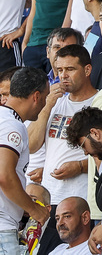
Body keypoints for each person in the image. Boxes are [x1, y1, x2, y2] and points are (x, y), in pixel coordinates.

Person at [29, 45, 98, 216]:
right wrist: (47, 106)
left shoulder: (100, 101)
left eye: (70, 69)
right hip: (48, 197)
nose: (63, 75)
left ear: (87, 69)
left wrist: (80, 167)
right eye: (59, 70)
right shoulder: (54, 102)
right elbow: (31, 145)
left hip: (80, 198)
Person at [0, 67, 51, 251]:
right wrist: (33, 209)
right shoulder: (12, 125)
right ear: (36, 96)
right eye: (45, 97)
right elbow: (4, 175)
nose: (45, 103)